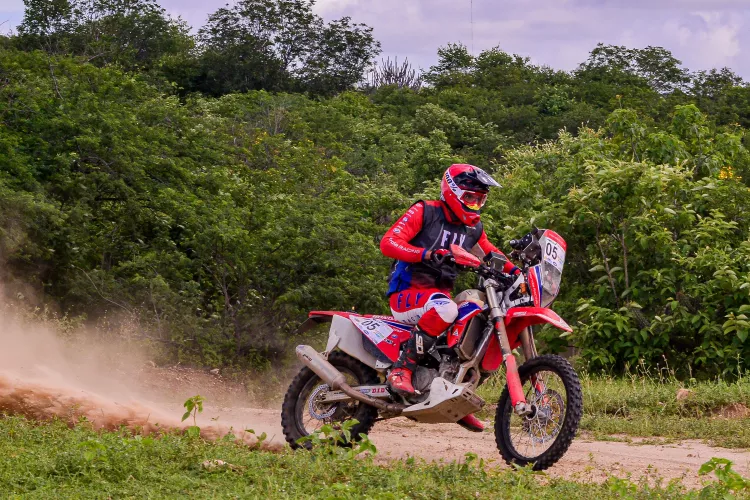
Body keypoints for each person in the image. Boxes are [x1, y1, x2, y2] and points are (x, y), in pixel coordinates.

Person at [379, 163, 520, 432]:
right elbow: (389, 243)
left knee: (479, 318)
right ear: (452, 192)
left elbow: (492, 254)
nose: (474, 205)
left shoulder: (472, 229)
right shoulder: (425, 211)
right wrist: (427, 254)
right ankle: (401, 370)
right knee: (447, 309)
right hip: (406, 294)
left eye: (479, 200)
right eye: (470, 198)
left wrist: (518, 274)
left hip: (437, 299)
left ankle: (455, 395)